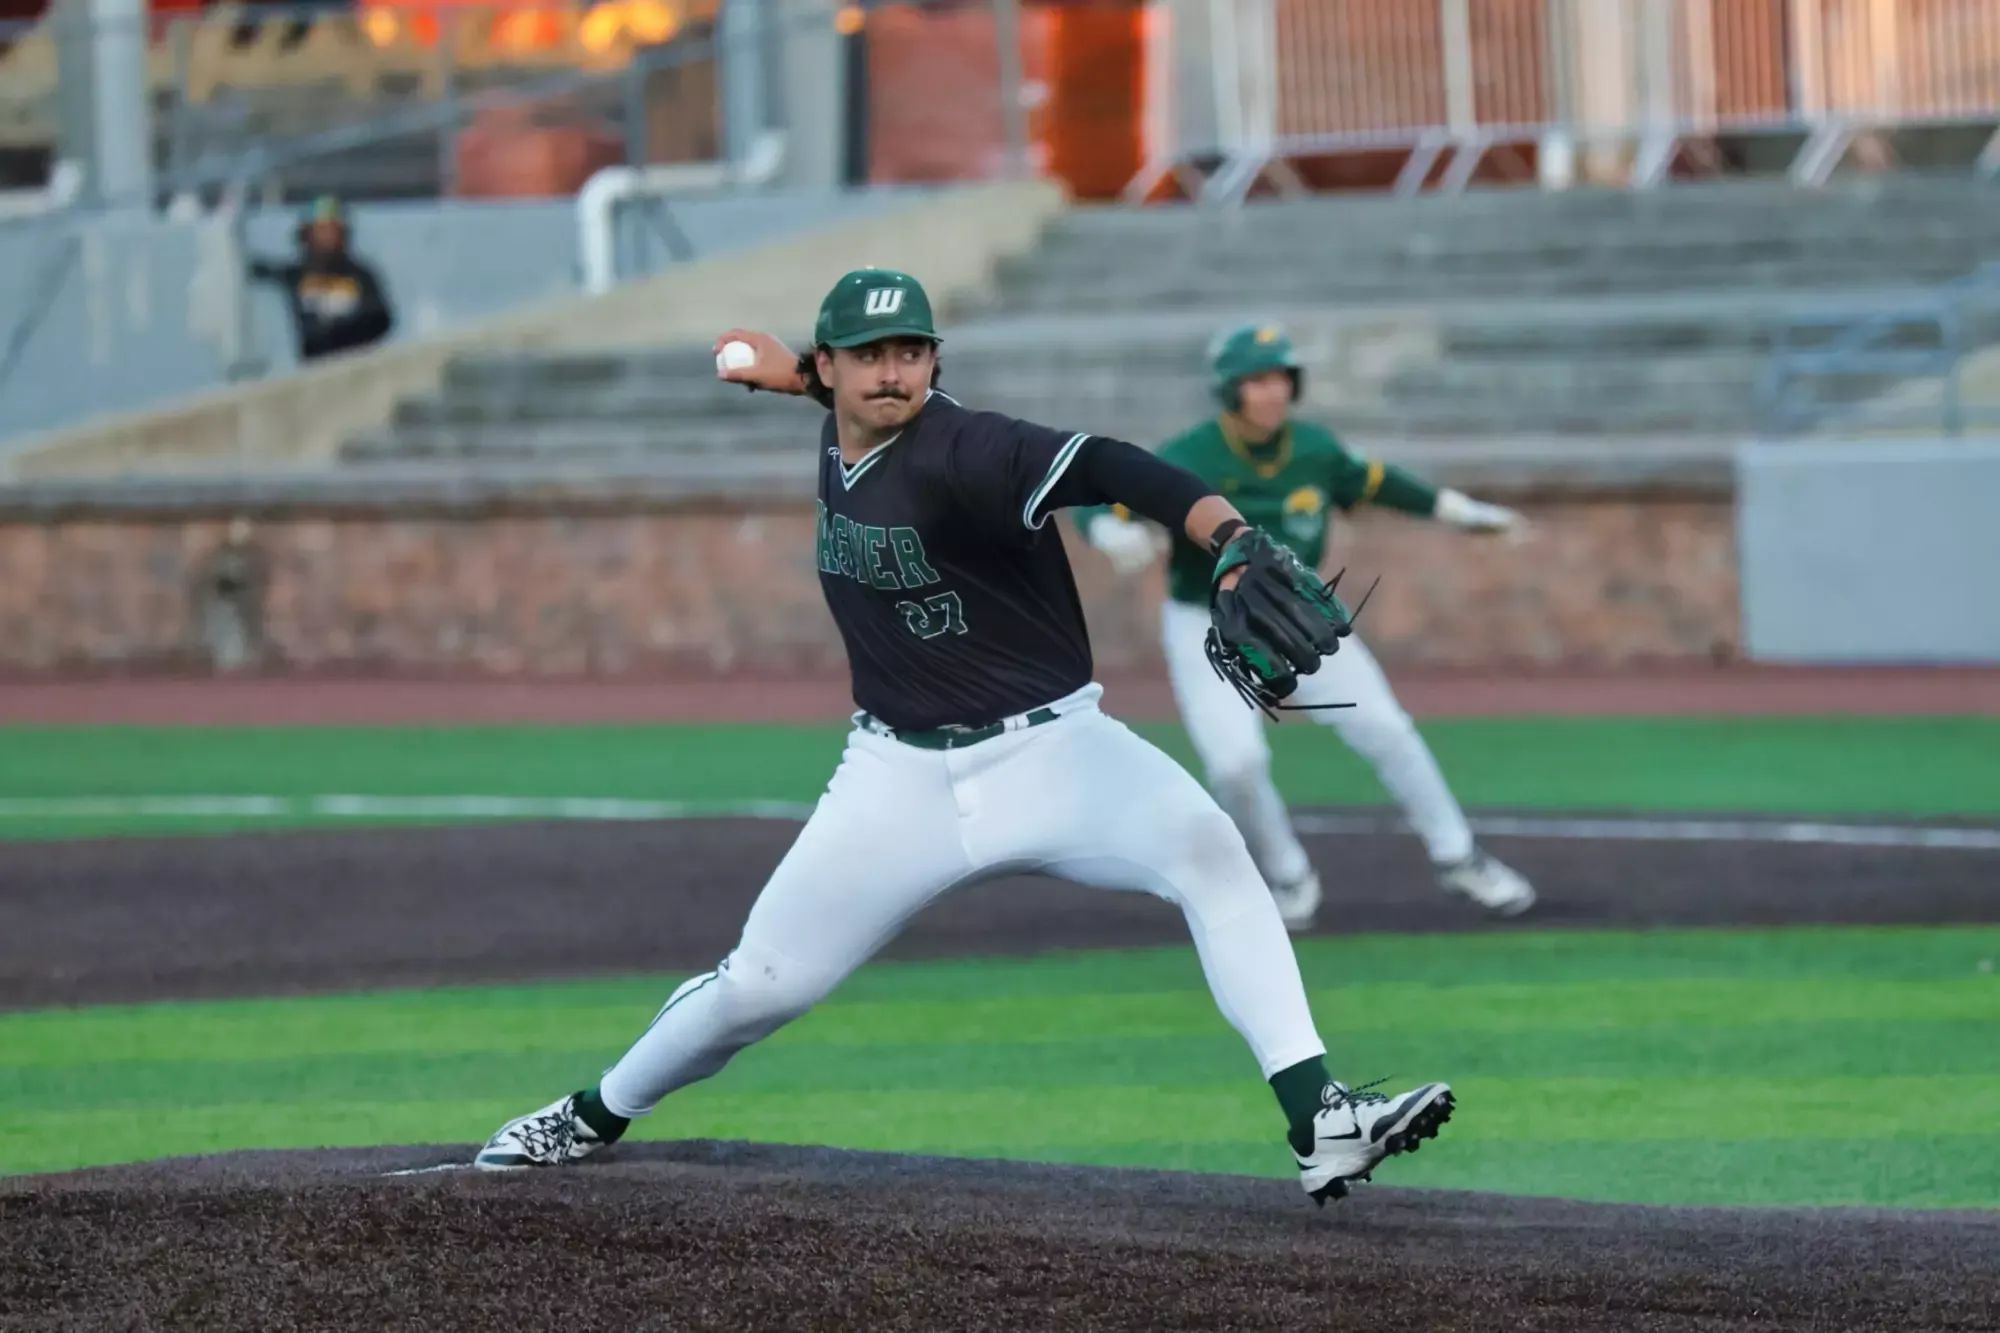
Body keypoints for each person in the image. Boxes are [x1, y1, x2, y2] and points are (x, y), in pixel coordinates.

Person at [474, 270, 1455, 1205]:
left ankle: (1317, 1119)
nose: (892, 370)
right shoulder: (838, 419)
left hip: (1058, 754)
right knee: (760, 986)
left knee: (1210, 853)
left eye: (911, 350)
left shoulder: (973, 450)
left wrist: (1230, 539)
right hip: (893, 777)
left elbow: (1118, 466)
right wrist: (772, 372)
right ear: (828, 369)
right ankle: (588, 1115)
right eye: (868, 354)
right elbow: (810, 389)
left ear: (936, 364)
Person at [1076, 323, 1537, 930]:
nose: (1271, 393)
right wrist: (1110, 531)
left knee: (1389, 729)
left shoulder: (1314, 449)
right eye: (1256, 381)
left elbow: (1381, 483)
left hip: (1299, 614)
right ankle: (1286, 873)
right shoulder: (1192, 454)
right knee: (1235, 764)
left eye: (1280, 379)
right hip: (1208, 626)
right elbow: (1097, 497)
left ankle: (1460, 857)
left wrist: (1463, 512)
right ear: (1229, 390)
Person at [248, 195, 395, 363]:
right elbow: (256, 274)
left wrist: (338, 335)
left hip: (354, 367)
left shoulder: (361, 275)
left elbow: (381, 320)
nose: (328, 237)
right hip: (312, 370)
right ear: (307, 235)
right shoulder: (295, 276)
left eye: (333, 230)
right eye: (321, 230)